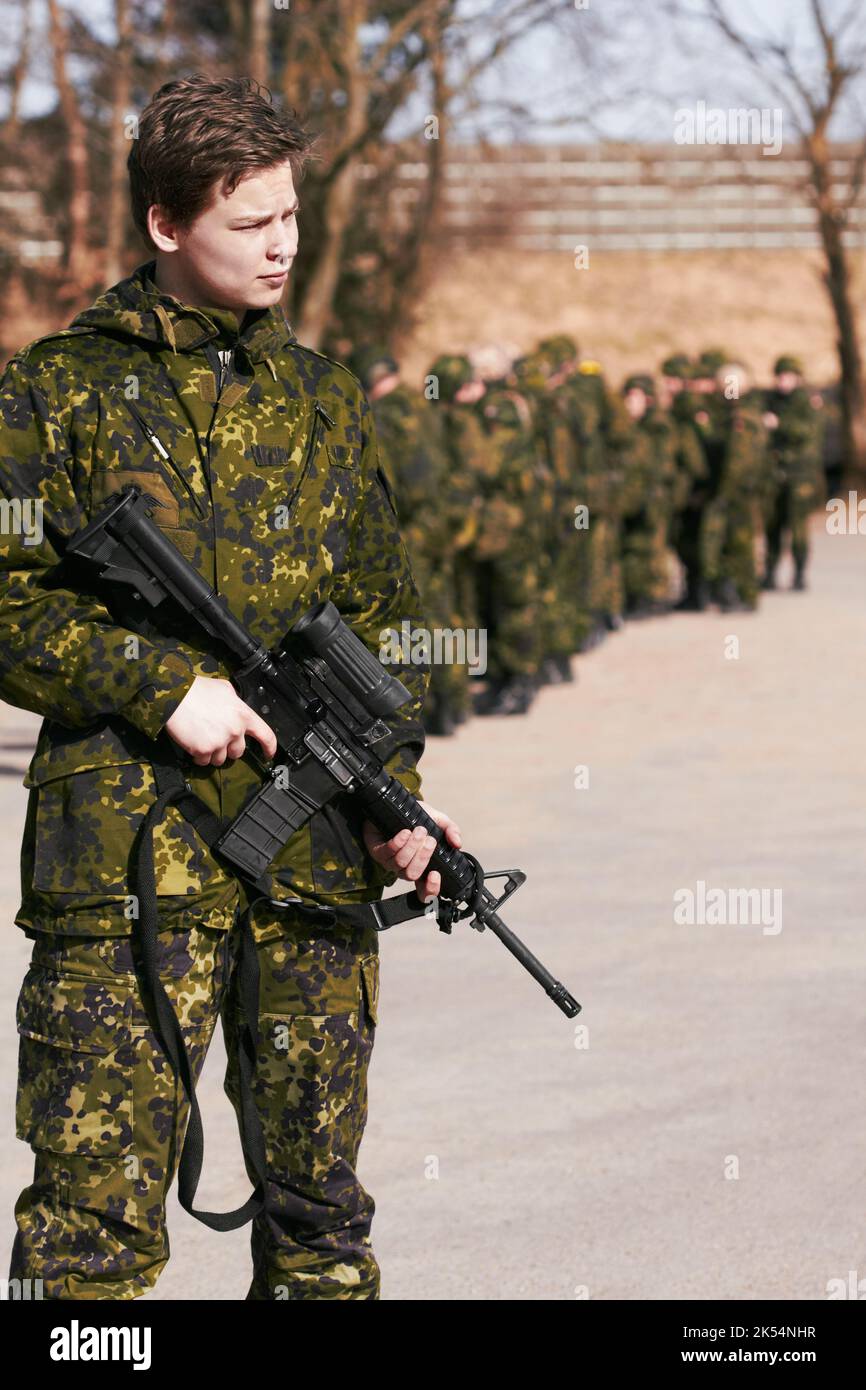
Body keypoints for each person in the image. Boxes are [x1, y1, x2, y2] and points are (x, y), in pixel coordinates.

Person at [0, 73, 462, 1301]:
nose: (284, 244)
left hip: (309, 870)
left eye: (291, 215)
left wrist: (394, 805)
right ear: (166, 223)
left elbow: (374, 622)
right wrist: (159, 685)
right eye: (251, 220)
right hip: (124, 871)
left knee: (322, 1237)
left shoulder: (317, 399)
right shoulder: (55, 390)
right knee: (87, 1243)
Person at [351, 345, 472, 735]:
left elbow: (388, 486)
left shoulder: (383, 417)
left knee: (414, 621)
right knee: (447, 611)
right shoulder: (426, 408)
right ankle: (457, 698)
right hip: (444, 521)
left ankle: (429, 706)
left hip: (413, 530)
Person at [761, 354, 825, 591]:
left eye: (787, 376)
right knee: (773, 525)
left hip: (801, 475)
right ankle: (769, 573)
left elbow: (807, 432)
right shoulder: (772, 400)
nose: (782, 381)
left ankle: (799, 574)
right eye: (780, 376)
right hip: (776, 473)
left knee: (798, 527)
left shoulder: (807, 401)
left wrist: (779, 424)